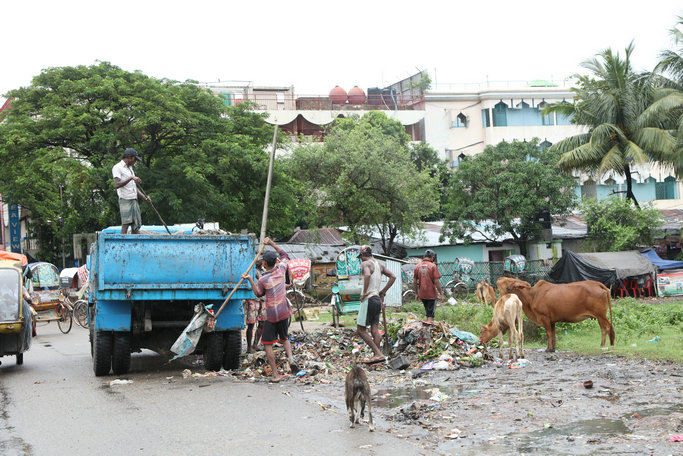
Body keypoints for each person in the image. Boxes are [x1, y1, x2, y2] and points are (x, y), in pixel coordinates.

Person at [241, 237, 298, 382]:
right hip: (284, 311)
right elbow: (285, 254)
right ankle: (291, 360)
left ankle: (275, 375)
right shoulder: (281, 268)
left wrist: (249, 279)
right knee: (284, 338)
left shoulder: (263, 280)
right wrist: (272, 243)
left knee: (267, 344)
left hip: (272, 314)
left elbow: (258, 293)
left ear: (264, 263)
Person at [357, 245, 395, 364]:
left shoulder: (365, 264)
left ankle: (378, 353)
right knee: (374, 328)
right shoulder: (379, 265)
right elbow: (393, 276)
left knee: (361, 330)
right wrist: (383, 291)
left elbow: (367, 275)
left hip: (369, 298)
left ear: (362, 256)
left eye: (361, 257)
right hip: (377, 300)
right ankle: (377, 356)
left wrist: (363, 293)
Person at [112, 148, 151, 234]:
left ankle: (134, 244)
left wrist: (144, 197)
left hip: (134, 199)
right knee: (126, 224)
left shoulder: (130, 169)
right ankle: (123, 244)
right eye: (135, 159)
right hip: (125, 199)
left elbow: (133, 188)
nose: (135, 161)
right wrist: (131, 178)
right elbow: (117, 184)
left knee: (135, 225)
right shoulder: (117, 167)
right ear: (129, 158)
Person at [414, 249, 444, 322]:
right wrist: (441, 294)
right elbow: (436, 281)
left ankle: (426, 327)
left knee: (428, 313)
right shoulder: (433, 266)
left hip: (422, 294)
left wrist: (416, 294)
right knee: (430, 315)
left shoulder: (417, 266)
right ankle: (428, 330)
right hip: (431, 295)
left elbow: (414, 281)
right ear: (432, 257)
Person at [243, 267, 265, 353]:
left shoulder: (264, 270)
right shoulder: (250, 269)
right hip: (252, 298)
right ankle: (249, 347)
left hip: (263, 298)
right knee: (251, 324)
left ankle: (255, 344)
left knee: (262, 323)